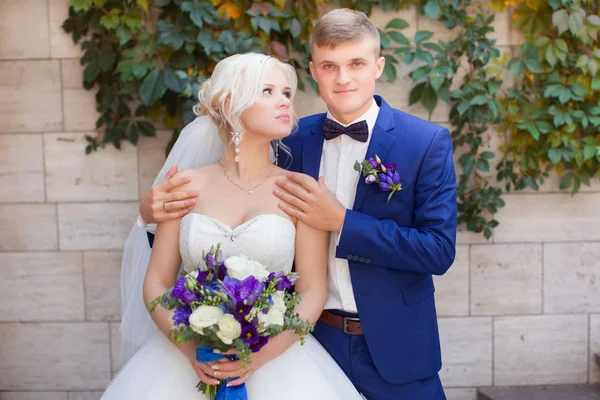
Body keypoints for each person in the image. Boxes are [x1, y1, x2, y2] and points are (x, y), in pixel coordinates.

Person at [141, 9, 457, 400]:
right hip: (308, 345)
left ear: (378, 66)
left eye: (356, 63)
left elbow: (439, 251)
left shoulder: (424, 142)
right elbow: (197, 234)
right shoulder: (289, 139)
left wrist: (342, 220)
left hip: (398, 348)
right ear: (314, 70)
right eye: (329, 66)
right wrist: (148, 216)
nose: (343, 78)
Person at [104, 53, 363, 399]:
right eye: (267, 91)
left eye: (287, 93)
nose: (284, 101)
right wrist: (191, 347)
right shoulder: (185, 186)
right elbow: (157, 282)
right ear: (229, 104)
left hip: (278, 364)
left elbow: (312, 291)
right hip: (183, 363)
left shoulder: (300, 190)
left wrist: (256, 358)